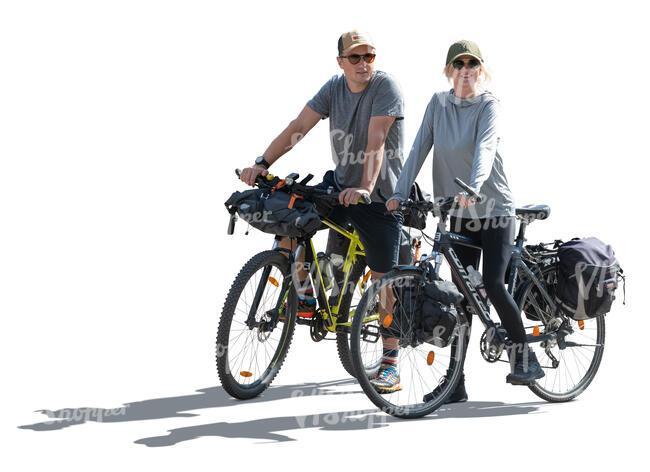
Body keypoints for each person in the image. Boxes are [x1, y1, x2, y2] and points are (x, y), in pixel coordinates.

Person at [239, 30, 406, 393]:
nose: (364, 64)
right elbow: (299, 127)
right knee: (291, 214)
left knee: (382, 279)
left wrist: (364, 188)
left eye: (369, 57)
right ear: (341, 62)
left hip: (380, 197)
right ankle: (306, 295)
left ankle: (391, 360)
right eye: (356, 58)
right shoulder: (334, 88)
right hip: (342, 186)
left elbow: (376, 142)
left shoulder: (385, 87)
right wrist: (262, 163)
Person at [387, 39, 544, 402]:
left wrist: (473, 187)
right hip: (457, 212)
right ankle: (455, 383)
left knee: (492, 282)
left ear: (481, 69)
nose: (466, 69)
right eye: (458, 64)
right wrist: (398, 192)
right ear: (449, 71)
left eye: (472, 63)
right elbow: (418, 149)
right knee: (461, 299)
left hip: (493, 211)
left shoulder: (489, 105)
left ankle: (526, 358)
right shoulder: (437, 104)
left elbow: (486, 147)